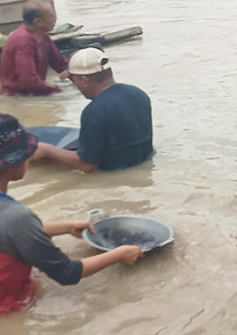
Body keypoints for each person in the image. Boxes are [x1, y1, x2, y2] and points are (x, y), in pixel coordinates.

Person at [0, 114, 143, 314]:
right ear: (13, 163)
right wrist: (119, 254)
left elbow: (10, 233)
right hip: (9, 305)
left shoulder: (11, 217)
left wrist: (65, 227)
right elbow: (67, 273)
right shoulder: (17, 218)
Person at [31, 48, 154, 172]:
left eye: (74, 80)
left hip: (112, 173)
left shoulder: (94, 112)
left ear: (85, 80)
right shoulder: (138, 94)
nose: (76, 86)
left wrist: (47, 151)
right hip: (144, 163)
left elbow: (87, 165)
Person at [1, 0, 69, 96]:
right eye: (51, 15)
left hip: (33, 92)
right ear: (38, 22)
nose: (55, 18)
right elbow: (28, 81)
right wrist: (55, 90)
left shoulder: (44, 37)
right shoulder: (23, 41)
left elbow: (61, 65)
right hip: (17, 96)